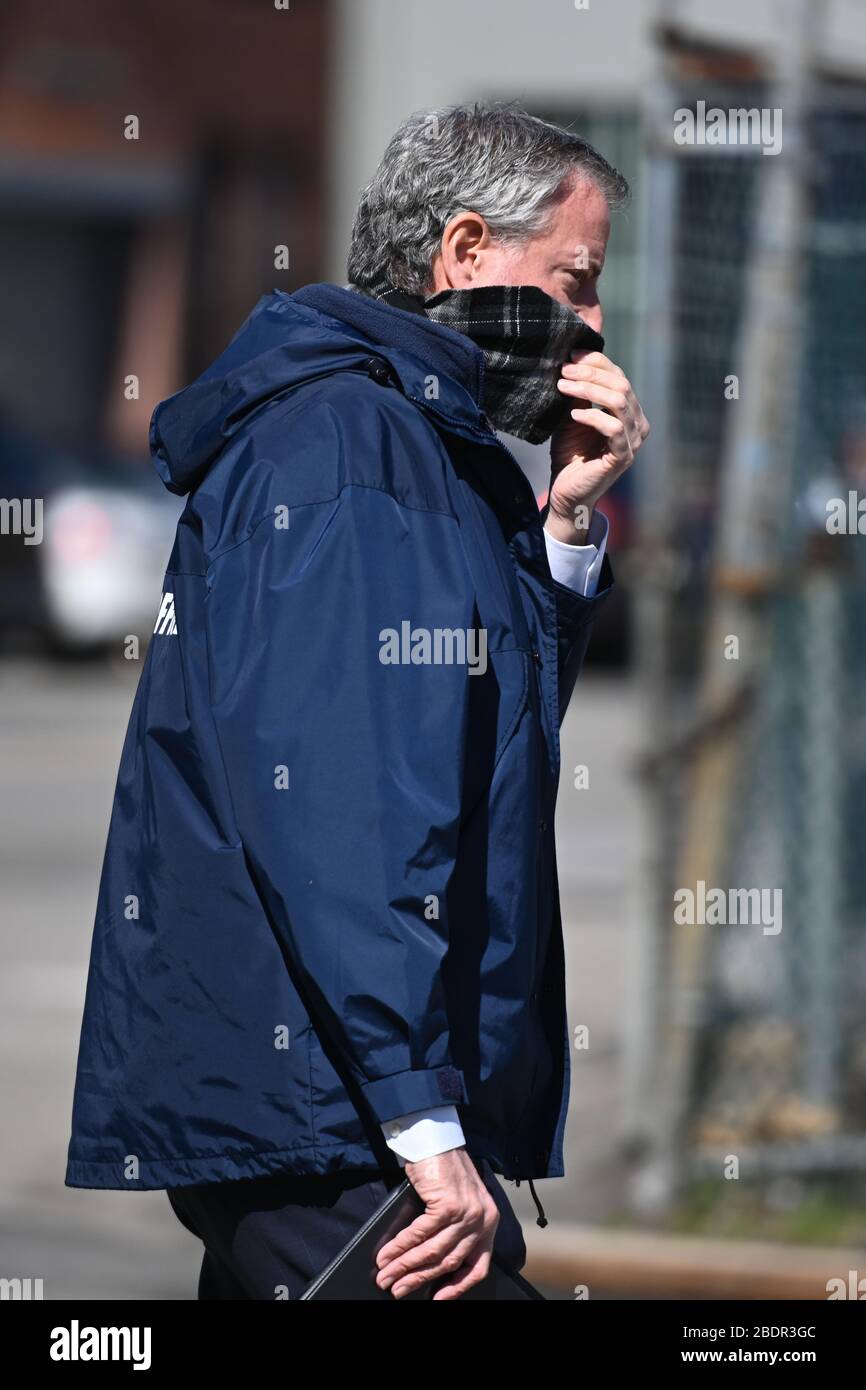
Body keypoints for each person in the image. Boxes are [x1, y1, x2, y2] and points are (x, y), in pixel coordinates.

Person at [65, 102, 649, 1300]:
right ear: (466, 252)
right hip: (326, 1110)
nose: (594, 327)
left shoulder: (424, 444)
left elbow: (480, 739)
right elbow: (339, 810)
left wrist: (569, 524)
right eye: (576, 281)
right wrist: (421, 1125)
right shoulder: (347, 448)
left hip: (344, 1100)